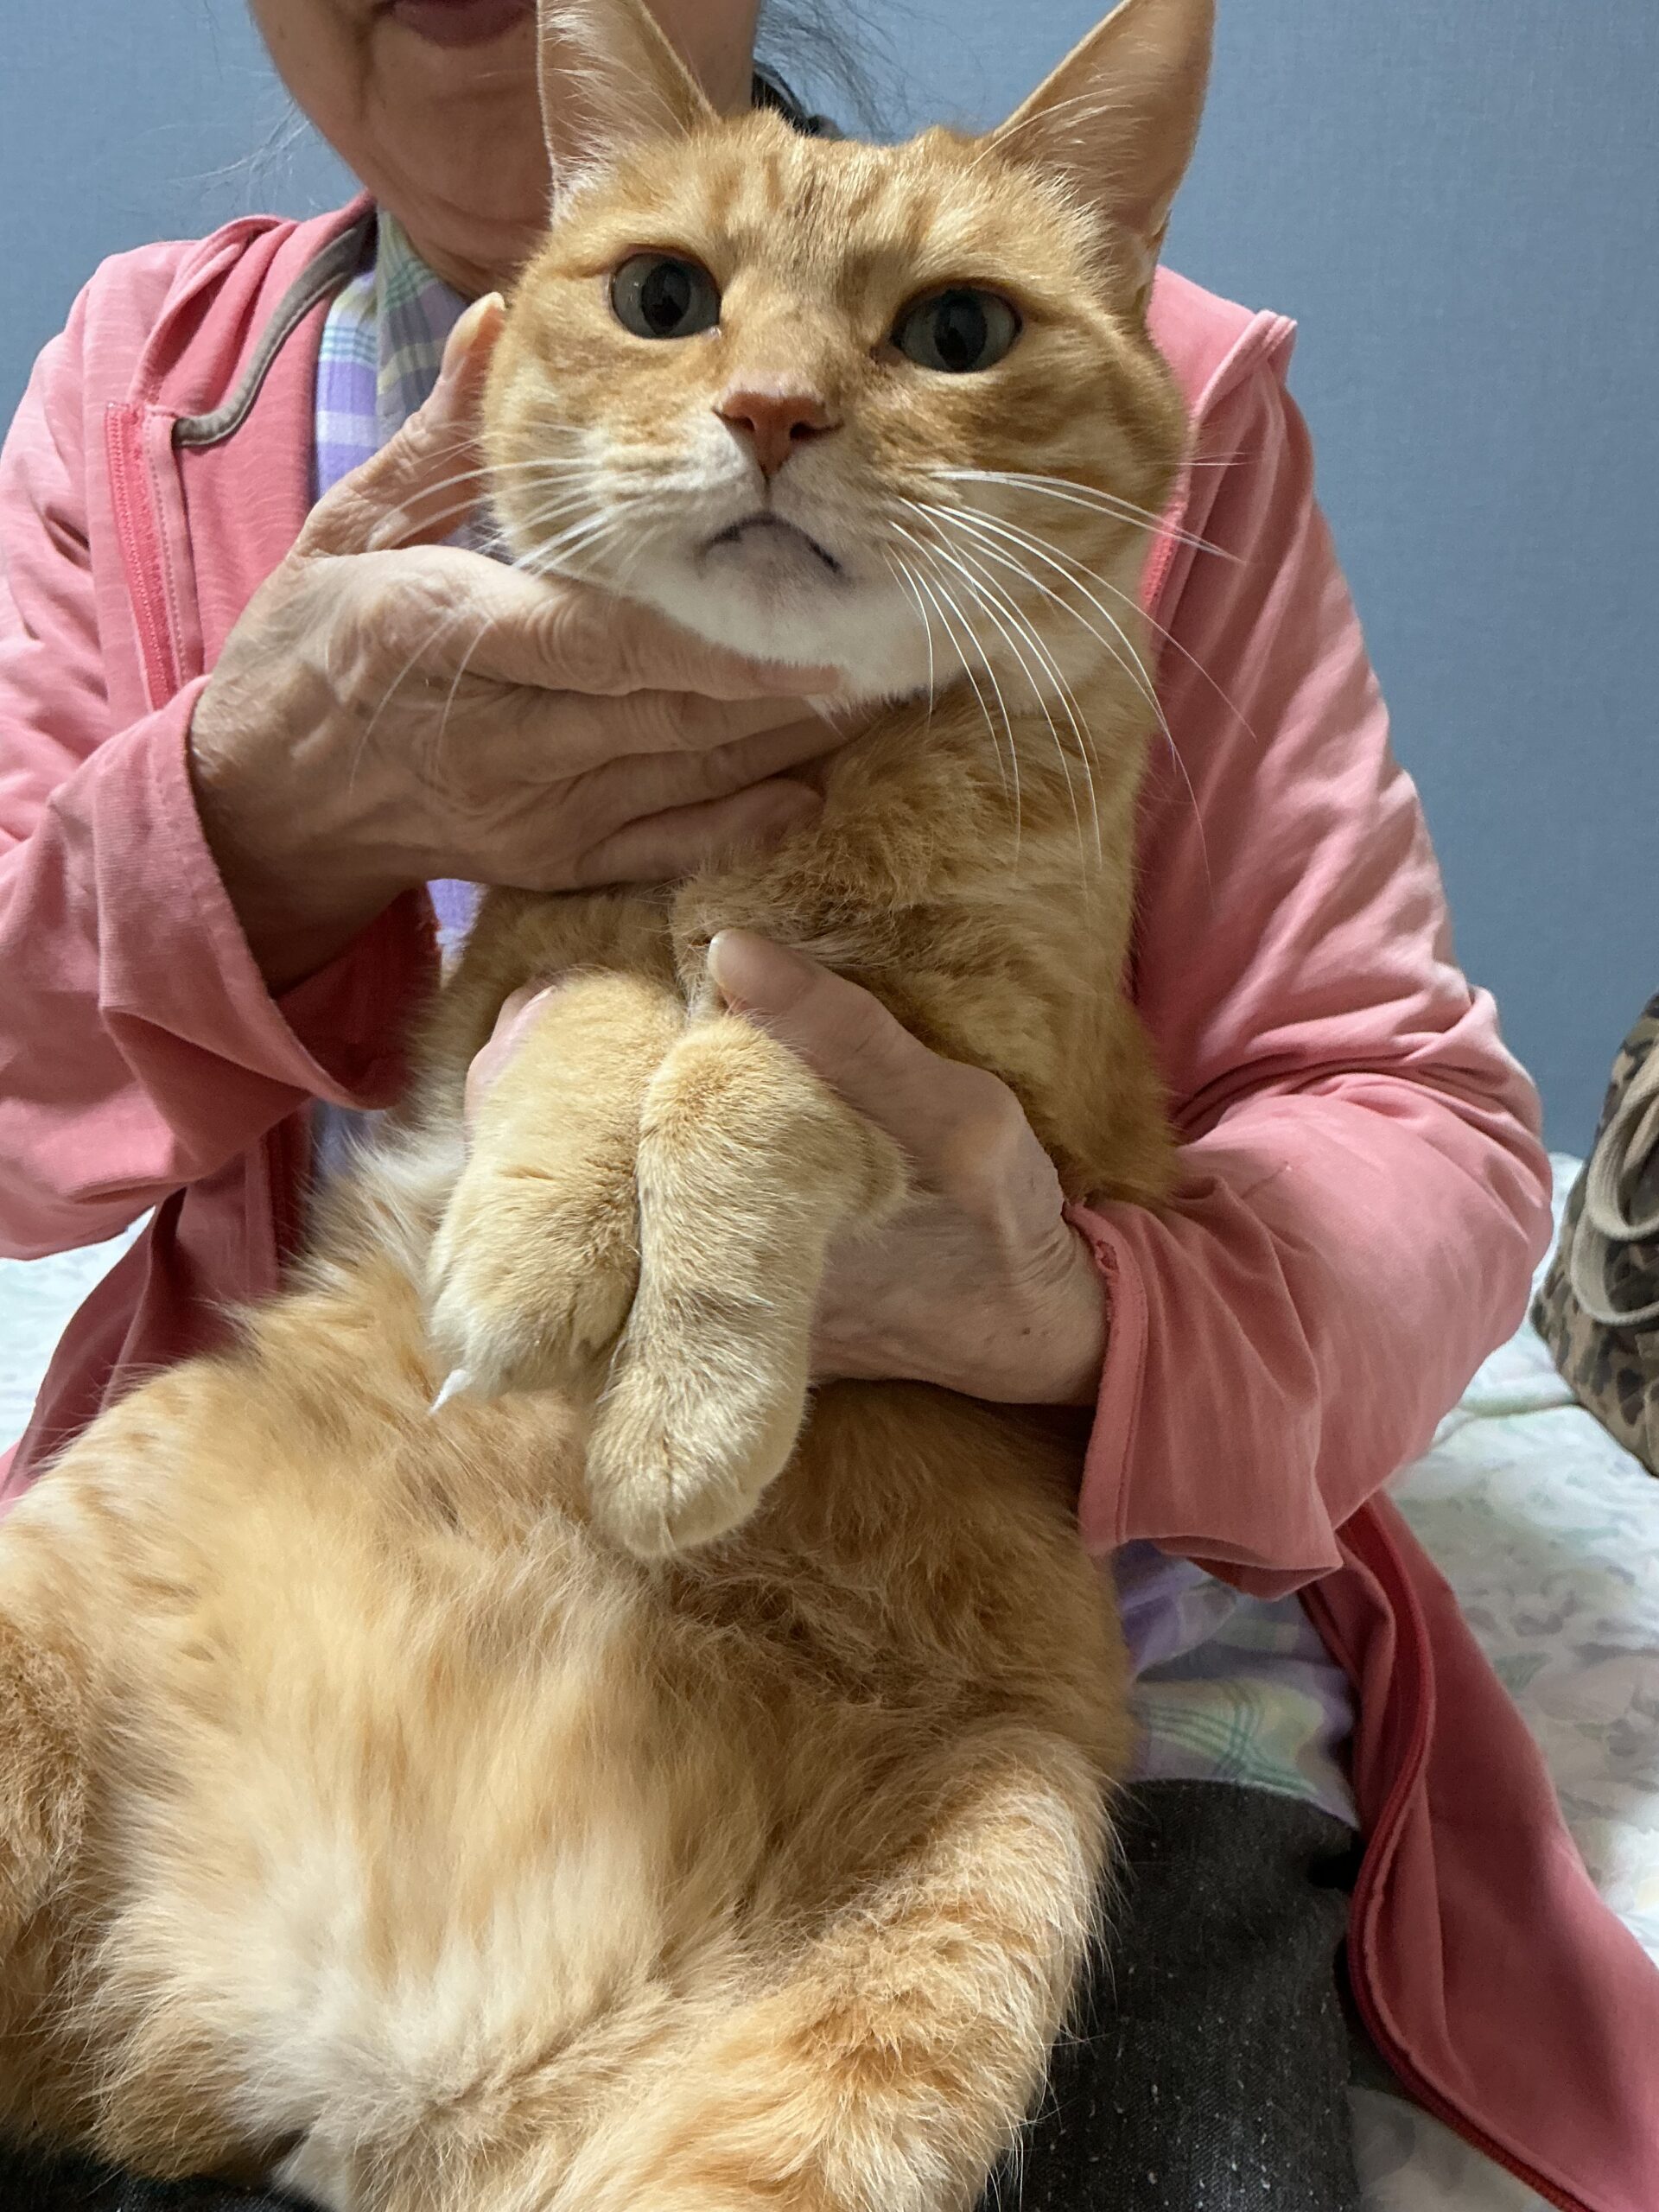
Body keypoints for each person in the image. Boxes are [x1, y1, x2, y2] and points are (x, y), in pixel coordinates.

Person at [0, 3, 1655, 2209]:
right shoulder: (144, 379)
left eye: (940, 332)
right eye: (665, 298)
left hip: (931, 1642)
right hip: (322, 1523)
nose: (774, 394)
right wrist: (256, 810)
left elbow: (1419, 1116)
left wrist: (1067, 1309)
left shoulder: (1134, 409)